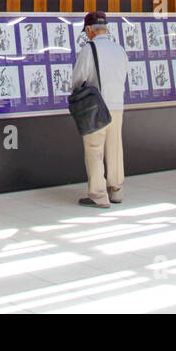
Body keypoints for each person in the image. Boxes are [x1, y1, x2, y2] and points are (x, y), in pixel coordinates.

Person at [72, 11, 129, 208]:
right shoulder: (119, 49)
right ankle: (117, 191)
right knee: (115, 148)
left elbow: (78, 79)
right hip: (117, 106)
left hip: (96, 108)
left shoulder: (89, 49)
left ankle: (98, 194)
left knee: (95, 148)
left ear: (89, 30)